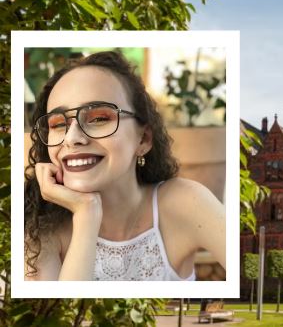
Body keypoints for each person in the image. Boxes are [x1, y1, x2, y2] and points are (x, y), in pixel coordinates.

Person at [24, 51, 226, 281]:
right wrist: (86, 214)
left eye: (99, 119)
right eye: (58, 124)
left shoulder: (185, 203)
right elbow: (62, 315)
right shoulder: (38, 230)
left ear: (143, 139)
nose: (71, 138)